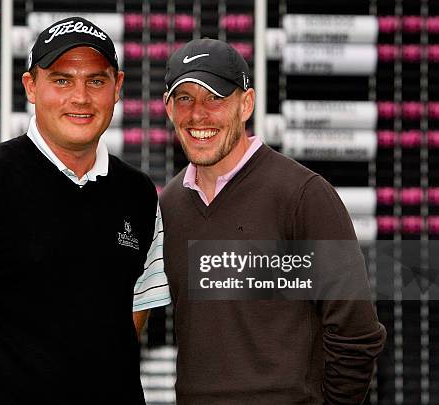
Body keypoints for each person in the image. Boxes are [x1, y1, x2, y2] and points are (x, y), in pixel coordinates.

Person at [0, 17, 170, 405]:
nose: (80, 97)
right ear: (31, 87)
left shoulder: (139, 193)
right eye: (61, 80)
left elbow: (132, 315)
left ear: (117, 87)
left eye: (96, 80)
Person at [159, 38, 386, 404]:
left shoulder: (303, 196)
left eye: (215, 97)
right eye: (184, 98)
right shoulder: (168, 206)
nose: (198, 114)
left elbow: (357, 335)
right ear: (168, 108)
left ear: (246, 104)